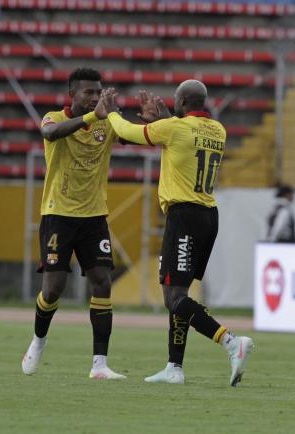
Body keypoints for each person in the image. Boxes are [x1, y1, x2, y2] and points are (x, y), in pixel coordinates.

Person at [96, 81, 254, 386]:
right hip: (208, 216)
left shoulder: (174, 129)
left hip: (184, 217)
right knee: (178, 293)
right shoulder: (218, 130)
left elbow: (129, 132)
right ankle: (174, 367)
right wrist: (166, 120)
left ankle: (231, 342)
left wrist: (112, 112)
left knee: (174, 298)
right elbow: (184, 137)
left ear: (181, 102)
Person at [21, 68, 126, 380]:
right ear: (72, 95)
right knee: (53, 290)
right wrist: (94, 116)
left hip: (94, 216)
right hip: (58, 215)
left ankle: (99, 364)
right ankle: (38, 340)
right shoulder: (53, 118)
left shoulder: (106, 121)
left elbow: (132, 135)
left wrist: (156, 120)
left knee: (102, 282)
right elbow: (51, 134)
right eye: (88, 92)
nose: (95, 97)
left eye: (98, 92)